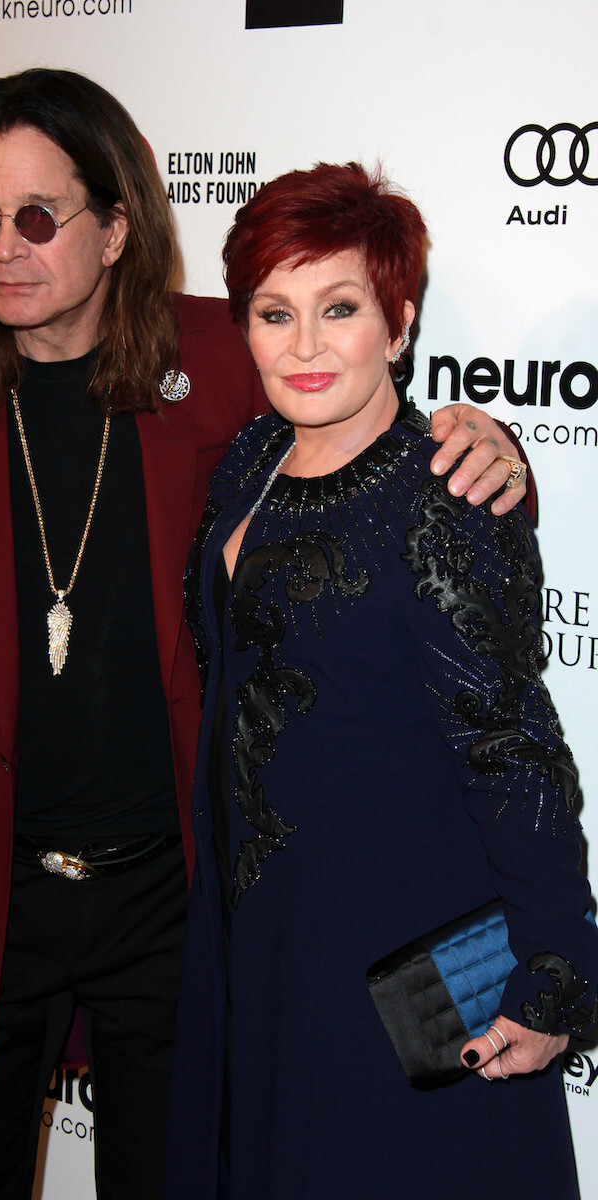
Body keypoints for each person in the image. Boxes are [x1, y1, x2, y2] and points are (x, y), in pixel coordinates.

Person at [0, 70, 531, 1200]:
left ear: (114, 229)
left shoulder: (226, 356)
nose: (3, 247)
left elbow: (371, 433)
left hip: (174, 891)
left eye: (37, 217)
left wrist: (490, 449)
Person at [164, 162, 598, 1200]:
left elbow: (512, 750)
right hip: (256, 932)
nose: (304, 343)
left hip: (389, 944)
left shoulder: (443, 494)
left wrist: (552, 979)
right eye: (274, 311)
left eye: (339, 307)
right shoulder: (248, 457)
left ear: (398, 322)